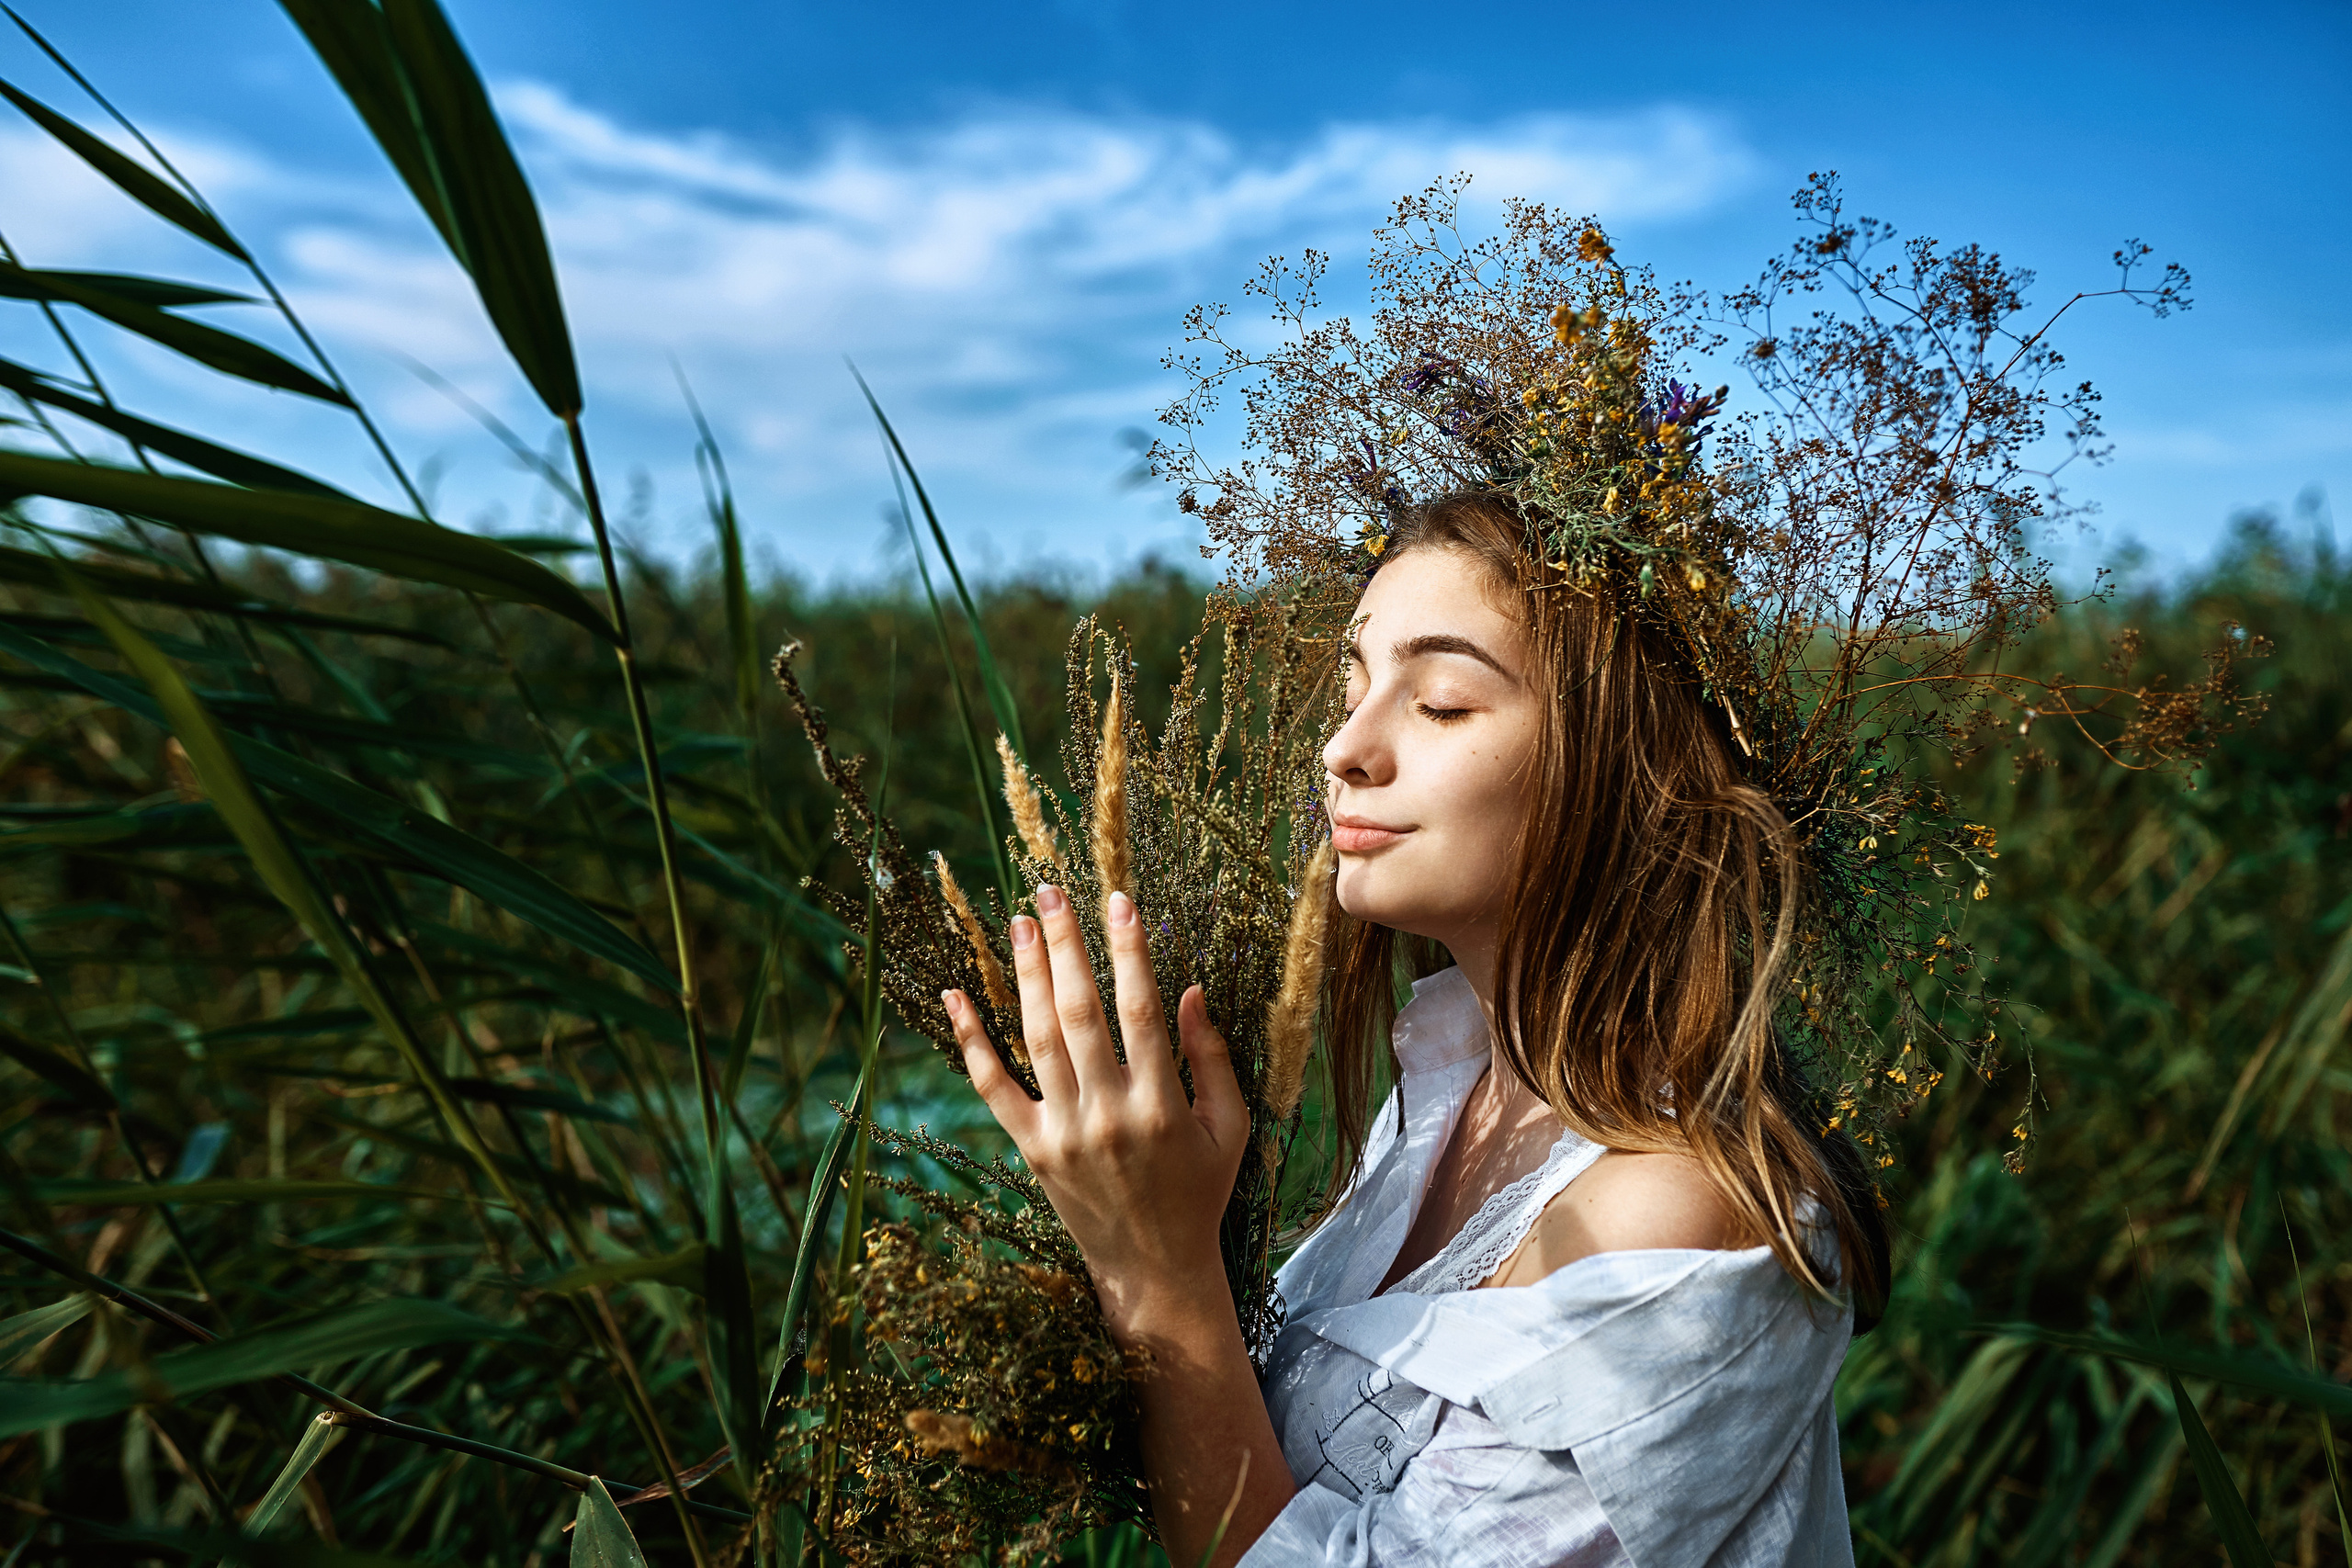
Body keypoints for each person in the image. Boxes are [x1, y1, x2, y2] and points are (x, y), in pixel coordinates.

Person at [940, 491, 1890, 1567]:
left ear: (1622, 769)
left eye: (1440, 702)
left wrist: (1159, 1273)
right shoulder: (1451, 1094)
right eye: (1355, 682)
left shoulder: (1676, 1225)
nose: (1345, 745)